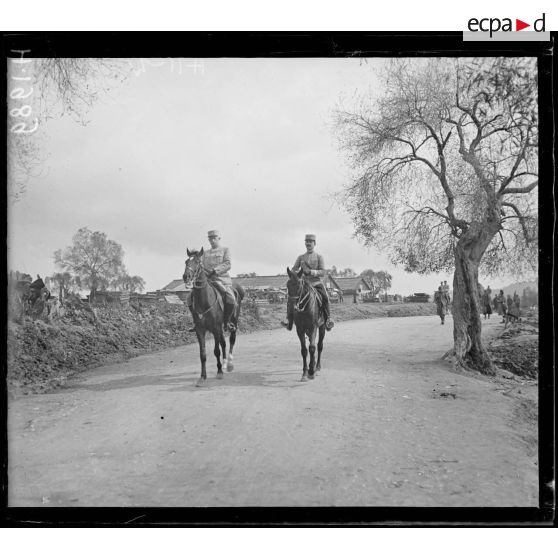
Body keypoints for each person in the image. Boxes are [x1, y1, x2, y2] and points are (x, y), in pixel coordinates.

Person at [281, 233, 334, 331]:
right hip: (304, 284)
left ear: (314, 243)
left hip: (316, 283)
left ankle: (328, 319)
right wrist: (297, 274)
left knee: (325, 298)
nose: (308, 243)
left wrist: (312, 272)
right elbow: (294, 270)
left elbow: (323, 272)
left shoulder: (319, 257)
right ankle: (289, 320)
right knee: (292, 299)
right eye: (307, 242)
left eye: (310, 242)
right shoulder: (301, 257)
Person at [188, 230, 237, 332]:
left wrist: (215, 271)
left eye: (214, 238)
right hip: (208, 280)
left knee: (231, 299)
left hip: (221, 279)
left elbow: (228, 264)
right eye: (210, 238)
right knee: (189, 298)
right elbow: (199, 266)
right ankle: (196, 323)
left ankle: (227, 322)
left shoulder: (225, 250)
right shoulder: (205, 253)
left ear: (219, 238)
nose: (212, 240)